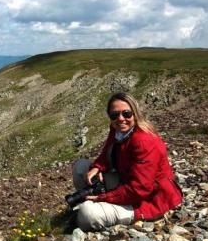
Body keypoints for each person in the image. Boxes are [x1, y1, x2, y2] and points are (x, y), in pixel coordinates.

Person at [71, 92, 182, 231]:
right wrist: (97, 167)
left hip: (149, 200)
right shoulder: (118, 129)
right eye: (114, 115)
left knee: (88, 214)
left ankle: (91, 210)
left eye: (126, 113)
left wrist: (103, 197)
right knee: (81, 166)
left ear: (135, 113)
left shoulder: (144, 141)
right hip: (126, 182)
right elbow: (107, 153)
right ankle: (91, 203)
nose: (120, 118)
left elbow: (140, 189)